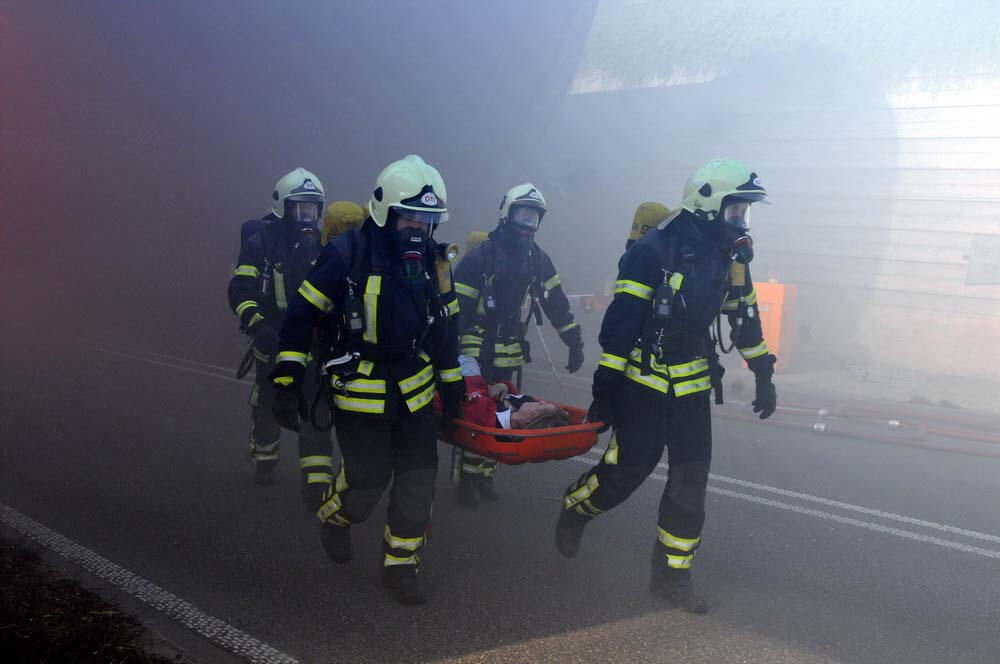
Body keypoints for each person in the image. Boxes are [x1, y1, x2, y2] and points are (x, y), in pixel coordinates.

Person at [553, 158, 778, 614]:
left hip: (693, 385)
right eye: (736, 211)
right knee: (627, 472)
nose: (742, 221)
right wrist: (606, 388)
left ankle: (672, 577)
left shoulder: (731, 259)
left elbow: (745, 316)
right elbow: (621, 326)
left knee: (689, 481)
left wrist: (762, 371)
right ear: (709, 204)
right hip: (644, 382)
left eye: (745, 213)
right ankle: (577, 509)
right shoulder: (653, 251)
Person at [270, 155, 464, 606]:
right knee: (367, 482)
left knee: (418, 481)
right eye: (410, 215)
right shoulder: (347, 254)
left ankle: (401, 566)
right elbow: (301, 317)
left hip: (414, 390)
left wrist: (452, 384)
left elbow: (447, 328)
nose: (419, 227)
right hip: (360, 389)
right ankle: (336, 518)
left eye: (428, 218)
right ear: (384, 211)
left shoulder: (437, 263)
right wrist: (286, 377)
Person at [450, 184, 584, 507]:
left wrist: (573, 339)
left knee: (507, 412)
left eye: (534, 218)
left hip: (509, 346)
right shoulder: (481, 257)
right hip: (476, 345)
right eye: (522, 215)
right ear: (506, 214)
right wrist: (446, 353)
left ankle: (485, 476)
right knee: (477, 414)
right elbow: (457, 311)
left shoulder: (537, 259)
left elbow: (556, 303)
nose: (527, 224)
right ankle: (469, 479)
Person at [227, 167, 335, 510]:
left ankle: (316, 484)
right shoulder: (261, 244)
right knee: (269, 401)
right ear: (281, 208)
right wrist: (259, 327)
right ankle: (265, 457)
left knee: (317, 407)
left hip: (312, 342)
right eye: (299, 208)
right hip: (272, 336)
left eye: (313, 209)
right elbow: (240, 290)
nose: (308, 216)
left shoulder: (323, 247)